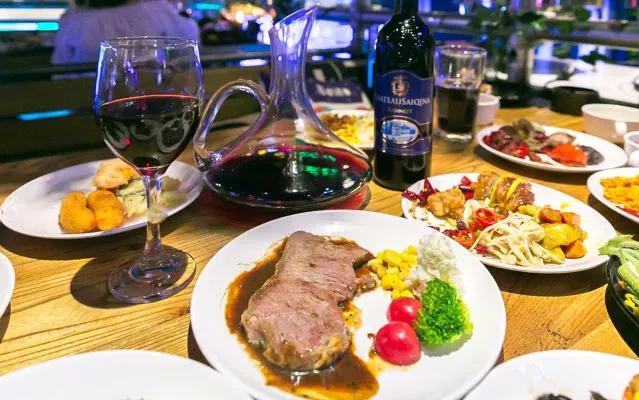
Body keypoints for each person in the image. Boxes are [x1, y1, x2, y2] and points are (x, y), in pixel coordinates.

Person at [52, 0, 200, 64]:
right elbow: (190, 40)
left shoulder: (75, 23)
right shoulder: (157, 12)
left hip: (83, 104)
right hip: (157, 97)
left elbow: (59, 68)